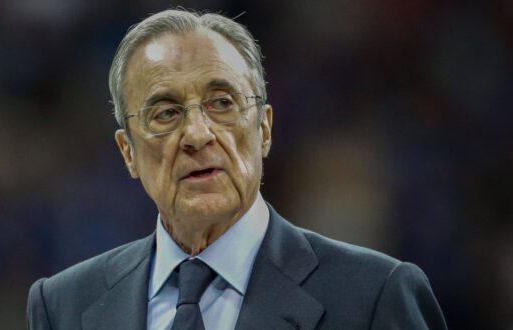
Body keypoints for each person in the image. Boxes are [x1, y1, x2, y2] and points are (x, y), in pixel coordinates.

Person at [27, 9, 446, 330]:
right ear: (128, 152)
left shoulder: (374, 295)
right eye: (166, 113)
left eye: (222, 103)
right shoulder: (63, 305)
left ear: (264, 128)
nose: (196, 134)